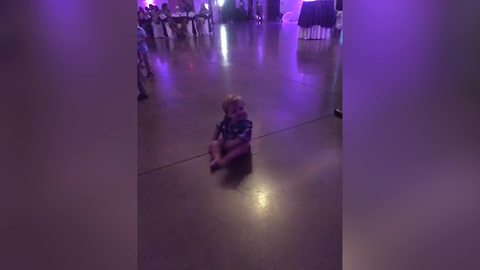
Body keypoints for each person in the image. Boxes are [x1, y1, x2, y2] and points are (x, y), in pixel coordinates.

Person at [209, 95, 253, 171]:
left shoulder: (247, 124)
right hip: (226, 141)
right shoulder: (226, 120)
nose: (239, 112)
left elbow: (242, 138)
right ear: (228, 115)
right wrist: (214, 140)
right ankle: (217, 159)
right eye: (234, 111)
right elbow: (218, 128)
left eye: (241, 108)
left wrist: (233, 143)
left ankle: (224, 161)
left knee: (242, 148)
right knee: (214, 144)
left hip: (239, 144)